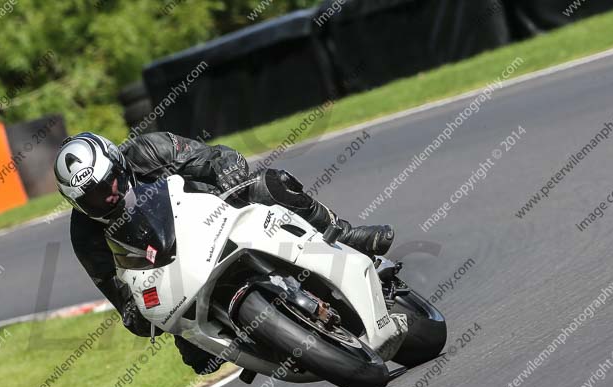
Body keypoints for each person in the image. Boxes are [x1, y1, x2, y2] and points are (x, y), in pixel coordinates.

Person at [54, 131, 394, 374]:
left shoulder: (149, 149)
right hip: (175, 270)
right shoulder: (84, 234)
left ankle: (345, 235)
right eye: (93, 197)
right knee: (197, 357)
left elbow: (217, 158)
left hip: (217, 216)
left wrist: (229, 176)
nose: (108, 196)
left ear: (117, 164)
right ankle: (256, 343)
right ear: (77, 203)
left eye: (107, 182)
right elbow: (120, 298)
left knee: (270, 184)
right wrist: (143, 317)